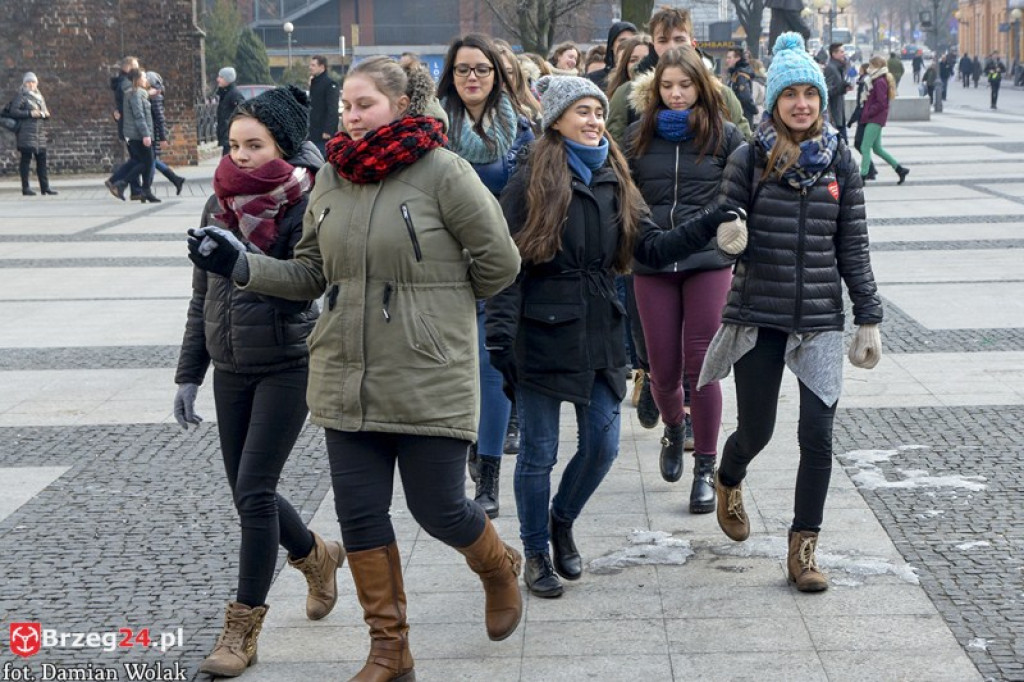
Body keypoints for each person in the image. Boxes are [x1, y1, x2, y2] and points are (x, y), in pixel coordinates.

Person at [187, 57, 524, 682]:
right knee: (360, 518)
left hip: (427, 370)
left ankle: (498, 565)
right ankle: (389, 651)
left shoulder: (443, 171)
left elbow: (499, 264)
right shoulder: (333, 178)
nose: (349, 114)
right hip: (344, 369)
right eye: (344, 104)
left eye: (363, 104)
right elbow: (311, 274)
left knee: (439, 510)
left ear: (399, 105)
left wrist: (432, 306)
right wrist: (242, 265)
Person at [700, 32, 883, 593]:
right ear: (774, 102)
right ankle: (728, 474)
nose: (801, 103)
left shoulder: (841, 162)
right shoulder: (750, 157)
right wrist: (728, 233)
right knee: (757, 428)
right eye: (790, 95)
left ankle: (804, 549)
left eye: (810, 93)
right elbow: (722, 224)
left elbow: (853, 242)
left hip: (823, 317)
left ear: (822, 101)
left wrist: (868, 315)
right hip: (761, 310)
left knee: (818, 435)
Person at [174, 86, 343, 677]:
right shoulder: (218, 200)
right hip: (229, 366)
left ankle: (241, 629)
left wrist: (242, 262)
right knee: (254, 493)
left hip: (285, 363)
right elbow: (202, 294)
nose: (240, 155)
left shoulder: (307, 200)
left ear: (283, 146)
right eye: (233, 144)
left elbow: (307, 279)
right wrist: (189, 372)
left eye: (255, 144)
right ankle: (313, 554)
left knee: (252, 493)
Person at [624, 47, 744, 512]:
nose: (676, 94)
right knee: (663, 368)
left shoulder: (724, 135)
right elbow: (624, 198)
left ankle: (705, 468)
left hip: (707, 259)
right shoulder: (636, 136)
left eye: (685, 85)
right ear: (655, 91)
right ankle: (675, 429)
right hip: (653, 261)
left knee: (703, 364)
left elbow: (742, 192)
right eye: (668, 86)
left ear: (702, 87)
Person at [437, 33, 535, 517]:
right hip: (443, 267)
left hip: (498, 266)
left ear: (497, 74)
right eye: (462, 69)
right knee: (452, 371)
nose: (472, 78)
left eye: (481, 69)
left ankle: (490, 474)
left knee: (491, 365)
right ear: (450, 77)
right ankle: (464, 452)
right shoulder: (432, 128)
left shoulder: (519, 129)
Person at [104, 69, 161, 203]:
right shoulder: (136, 94)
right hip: (139, 135)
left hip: (137, 134)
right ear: (137, 79)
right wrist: (146, 134)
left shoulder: (137, 93)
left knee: (146, 162)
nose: (146, 79)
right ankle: (121, 184)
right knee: (146, 162)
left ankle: (145, 191)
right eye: (144, 77)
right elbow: (139, 115)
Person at [858, 56, 908, 184]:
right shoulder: (876, 80)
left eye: (870, 66)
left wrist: (869, 113)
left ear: (877, 67)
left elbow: (881, 103)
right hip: (876, 118)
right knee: (877, 149)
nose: (868, 69)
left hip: (874, 118)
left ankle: (862, 176)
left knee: (865, 147)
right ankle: (900, 169)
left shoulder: (879, 82)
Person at [9, 72, 56, 196]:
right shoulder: (22, 96)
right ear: (24, 84)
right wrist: (29, 114)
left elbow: (44, 111)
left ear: (36, 83)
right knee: (26, 160)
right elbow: (14, 111)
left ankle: (45, 187)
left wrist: (45, 114)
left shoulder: (40, 97)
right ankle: (26, 188)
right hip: (26, 134)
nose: (30, 84)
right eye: (28, 82)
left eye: (33, 82)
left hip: (39, 134)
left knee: (42, 161)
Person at [145, 71, 187, 195]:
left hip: (153, 133)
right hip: (152, 132)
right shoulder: (151, 96)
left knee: (150, 160)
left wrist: (162, 137)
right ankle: (176, 179)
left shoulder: (155, 97)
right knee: (151, 159)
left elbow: (159, 118)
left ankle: (146, 189)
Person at [110, 56, 142, 200]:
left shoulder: (124, 82)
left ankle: (135, 190)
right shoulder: (126, 83)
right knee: (138, 159)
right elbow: (129, 105)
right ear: (127, 67)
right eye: (135, 66)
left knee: (136, 158)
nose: (138, 69)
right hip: (130, 127)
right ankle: (116, 181)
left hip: (127, 125)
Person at [585, 20, 639, 90]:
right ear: (612, 45)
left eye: (632, 41)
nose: (627, 45)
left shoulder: (641, 76)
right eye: (622, 41)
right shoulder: (593, 79)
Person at [307, 55, 340, 157]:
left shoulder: (330, 84)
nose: (310, 67)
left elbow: (333, 109)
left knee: (322, 160)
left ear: (322, 67)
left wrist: (328, 130)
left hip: (324, 134)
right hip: (313, 131)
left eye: (313, 65)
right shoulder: (314, 83)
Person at [851, 62, 876, 180]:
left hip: (864, 117)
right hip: (864, 116)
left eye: (860, 68)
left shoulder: (865, 82)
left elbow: (861, 103)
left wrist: (852, 119)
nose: (859, 70)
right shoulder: (863, 81)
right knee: (863, 144)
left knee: (859, 143)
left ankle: (869, 170)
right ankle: (871, 169)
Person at [725, 47, 759, 129]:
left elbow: (745, 97)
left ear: (737, 59)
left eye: (729, 58)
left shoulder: (740, 76)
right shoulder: (735, 74)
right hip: (736, 116)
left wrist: (754, 109)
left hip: (742, 118)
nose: (727, 60)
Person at [823, 43, 850, 143]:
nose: (844, 54)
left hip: (839, 114)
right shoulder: (831, 68)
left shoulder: (838, 68)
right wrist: (842, 88)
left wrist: (843, 87)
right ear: (834, 54)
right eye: (841, 52)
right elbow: (827, 91)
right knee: (842, 147)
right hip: (834, 115)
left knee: (843, 146)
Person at [216, 67, 245, 156]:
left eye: (221, 77)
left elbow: (242, 110)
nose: (218, 79)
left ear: (227, 79)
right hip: (227, 134)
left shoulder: (234, 95)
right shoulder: (225, 94)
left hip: (230, 135)